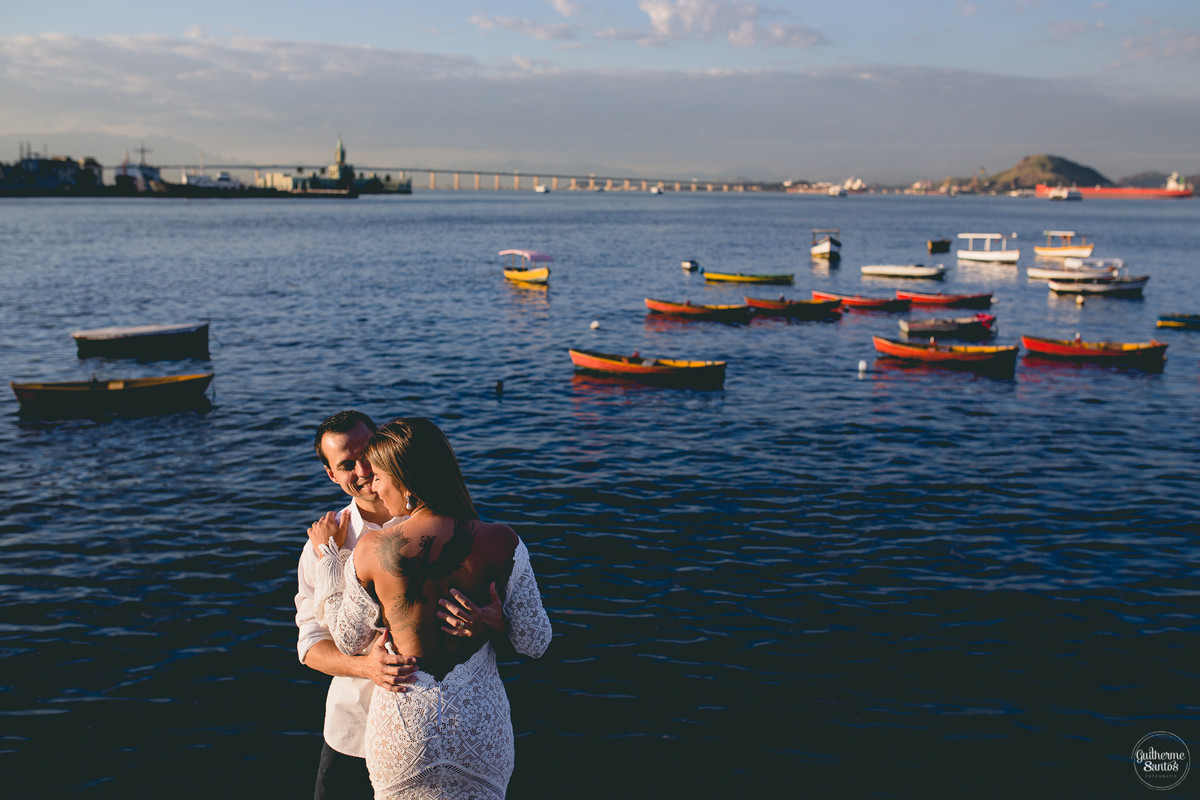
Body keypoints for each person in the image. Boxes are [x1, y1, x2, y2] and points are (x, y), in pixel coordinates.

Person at [308, 417, 552, 799]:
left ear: (405, 482)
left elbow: (349, 639)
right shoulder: (501, 541)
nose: (372, 483)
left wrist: (328, 559)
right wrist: (496, 623)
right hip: (478, 722)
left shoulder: (371, 550)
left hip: (405, 724)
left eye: (379, 476)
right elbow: (536, 641)